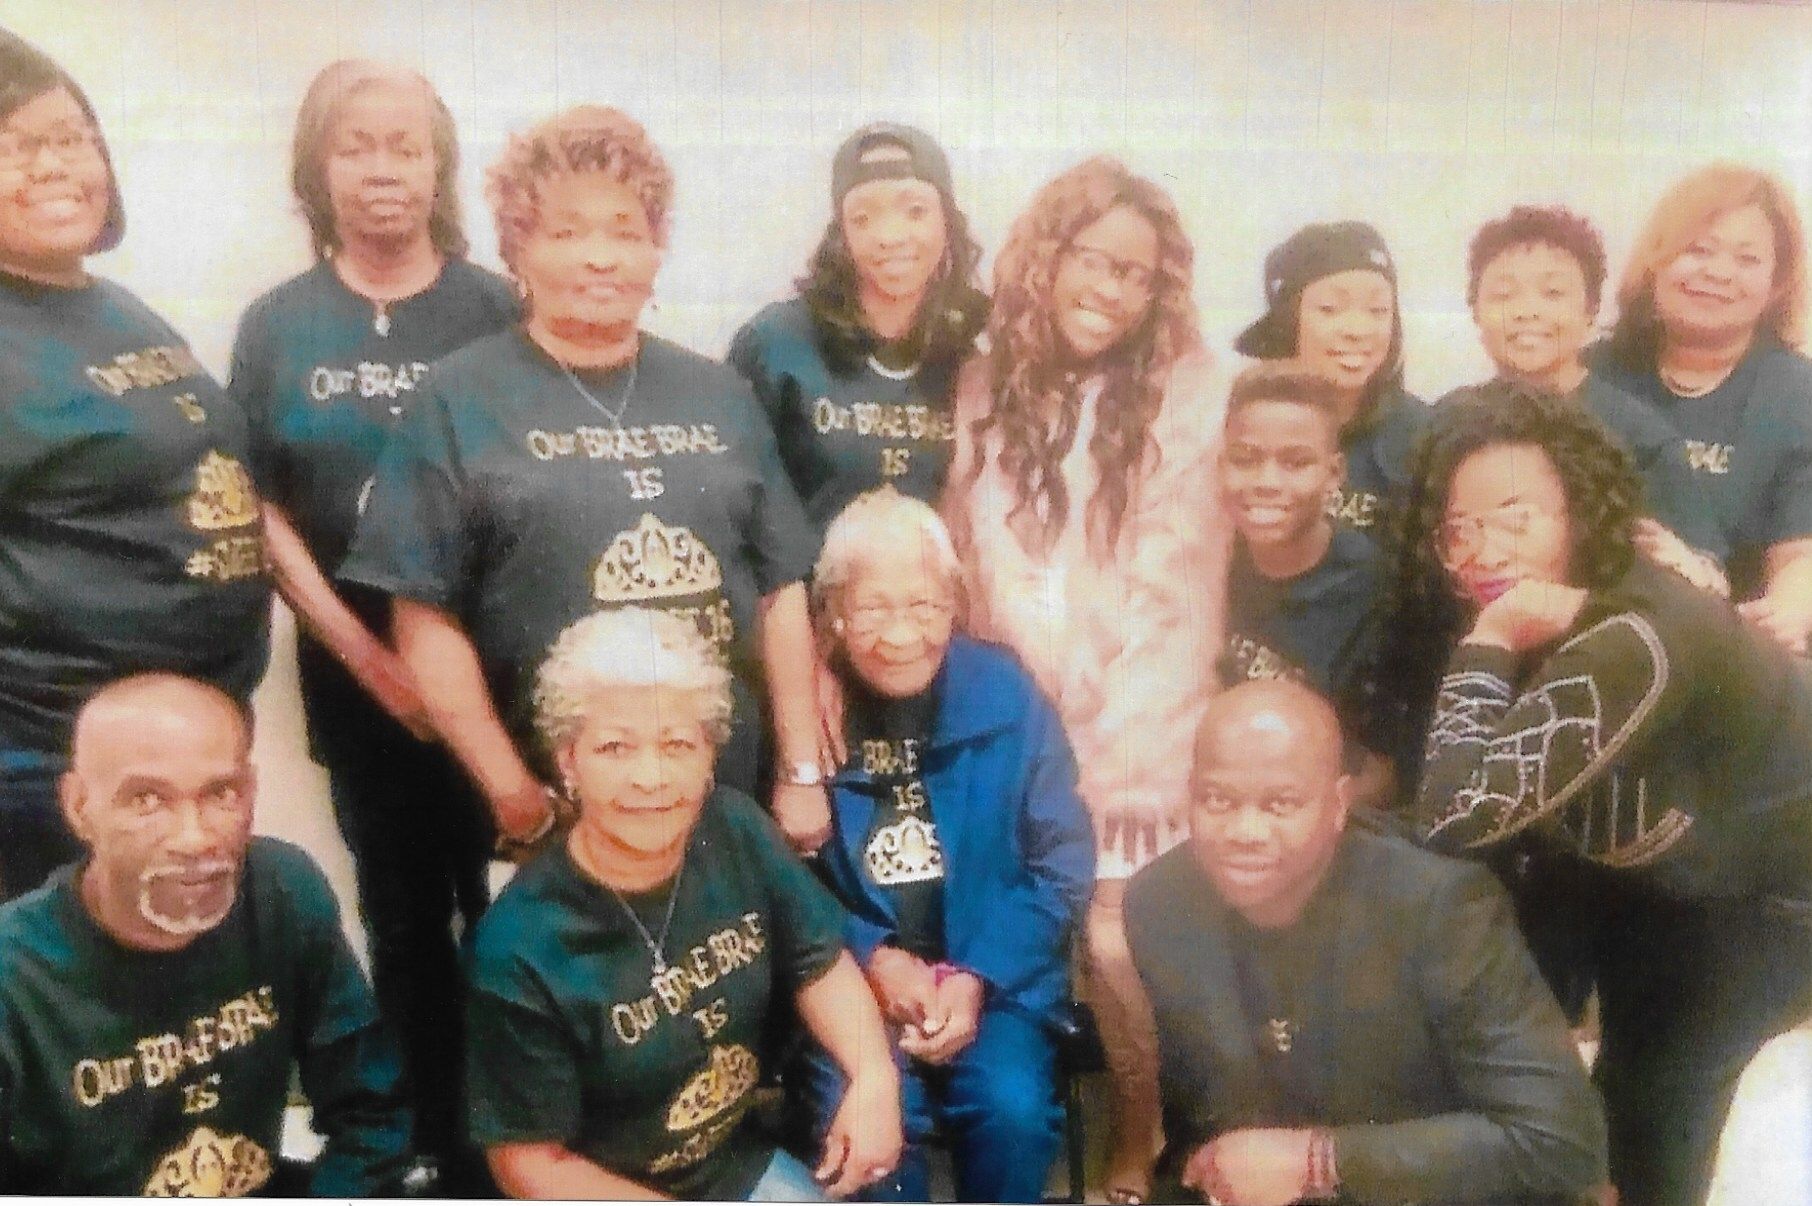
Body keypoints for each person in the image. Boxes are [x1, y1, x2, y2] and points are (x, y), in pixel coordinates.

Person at [339, 104, 829, 853]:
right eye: (566, 233)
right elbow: (423, 618)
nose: (601, 258)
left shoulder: (720, 393)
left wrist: (800, 772)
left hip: (727, 803)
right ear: (517, 249)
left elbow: (780, 588)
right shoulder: (457, 399)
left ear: (657, 250)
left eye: (625, 233)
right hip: (558, 819)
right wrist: (511, 794)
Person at [1382, 385, 1812, 1205]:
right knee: (1556, 1085)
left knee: (1655, 1102)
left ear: (1579, 513)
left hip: (1769, 901)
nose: (1483, 552)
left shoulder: (1635, 632)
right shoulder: (1551, 603)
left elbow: (1453, 818)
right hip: (1656, 864)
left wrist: (1488, 642)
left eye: (1516, 519)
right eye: (1458, 530)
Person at [226, 60, 516, 1186]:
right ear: (319, 168)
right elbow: (257, 505)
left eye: (406, 145)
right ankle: (434, 1146)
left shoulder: (495, 309)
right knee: (402, 919)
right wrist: (369, 660)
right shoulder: (277, 324)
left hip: (495, 679)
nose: (382, 168)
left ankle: (524, 1133)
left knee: (516, 910)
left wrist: (444, 676)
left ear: (439, 166)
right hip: (357, 684)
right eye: (356, 146)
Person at [941, 154, 1228, 1202]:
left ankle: (1139, 1135)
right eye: (1092, 260)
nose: (1110, 289)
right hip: (1015, 709)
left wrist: (1111, 760)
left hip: (1135, 730)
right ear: (1045, 259)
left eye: (1135, 273)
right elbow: (972, 563)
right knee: (1005, 922)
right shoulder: (984, 383)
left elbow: (1177, 590)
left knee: (1114, 946)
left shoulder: (1194, 392)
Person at [466, 607, 902, 1201]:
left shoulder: (735, 830)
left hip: (732, 1169)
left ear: (709, 756)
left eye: (677, 745)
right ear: (569, 761)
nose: (651, 778)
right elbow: (529, 1164)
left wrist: (875, 1076)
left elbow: (818, 961)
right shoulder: (518, 947)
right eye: (615, 748)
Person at [1126, 679, 1607, 1206]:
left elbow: (1560, 1141)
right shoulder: (1159, 904)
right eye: (1217, 799)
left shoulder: (1438, 908)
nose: (1245, 831)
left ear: (1337, 805)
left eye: (1281, 804)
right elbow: (1200, 1122)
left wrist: (1317, 1161)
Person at [0, 29, 271, 900]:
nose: (52, 167)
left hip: (182, 760)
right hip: (55, 775)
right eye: (13, 147)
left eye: (70, 138)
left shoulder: (111, 307)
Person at [0, 674, 411, 1196]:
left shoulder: (283, 890)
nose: (194, 838)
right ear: (80, 807)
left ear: (251, 792)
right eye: (147, 799)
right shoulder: (14, 977)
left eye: (221, 793)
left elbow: (372, 1114)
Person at [798, 488, 1095, 1202]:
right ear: (834, 612)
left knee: (1013, 1112)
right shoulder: (806, 711)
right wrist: (872, 956)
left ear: (955, 603)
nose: (901, 634)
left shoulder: (1006, 692)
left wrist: (975, 976)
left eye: (924, 606)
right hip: (850, 987)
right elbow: (781, 878)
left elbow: (1063, 860)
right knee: (867, 1128)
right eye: (873, 609)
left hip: (996, 981)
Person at [1593, 163, 1812, 652]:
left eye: (1747, 259)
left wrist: (1789, 610)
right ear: (1656, 260)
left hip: (1735, 648)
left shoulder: (1799, 394)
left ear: (1777, 282)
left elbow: (1801, 554)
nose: (1718, 273)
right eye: (1698, 250)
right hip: (1596, 630)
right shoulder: (1591, 374)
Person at [727, 122, 988, 530]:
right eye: (864, 217)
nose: (890, 236)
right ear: (842, 233)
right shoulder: (775, 345)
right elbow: (734, 499)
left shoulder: (968, 356)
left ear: (947, 223)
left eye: (915, 211)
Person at [1458, 202, 1726, 594]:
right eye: (1504, 295)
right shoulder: (1450, 423)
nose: (1527, 312)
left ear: (1590, 311)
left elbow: (1706, 573)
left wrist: (1693, 568)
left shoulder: (1638, 433)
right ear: (1475, 312)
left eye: (1552, 293)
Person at [1235, 220, 1427, 535]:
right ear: (1289, 321)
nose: (1357, 330)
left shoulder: (1424, 435)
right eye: (1330, 309)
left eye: (1378, 310)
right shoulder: (1237, 425)